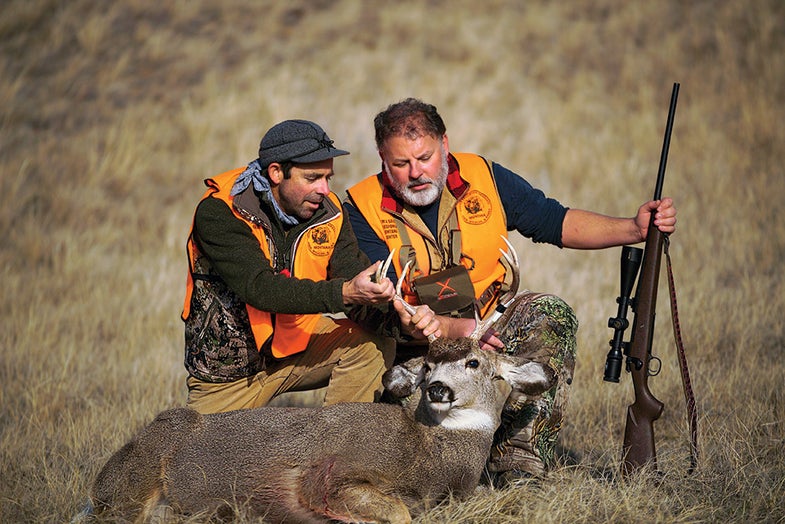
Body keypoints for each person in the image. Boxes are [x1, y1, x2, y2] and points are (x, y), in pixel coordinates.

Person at [344, 98, 677, 483]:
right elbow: (368, 305)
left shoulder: (483, 177)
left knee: (550, 313)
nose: (416, 172)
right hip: (415, 346)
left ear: (445, 144)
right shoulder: (360, 208)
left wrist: (634, 229)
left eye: (425, 157)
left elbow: (553, 221)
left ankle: (517, 459)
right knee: (406, 461)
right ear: (382, 159)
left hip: (491, 324)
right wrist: (441, 327)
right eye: (401, 164)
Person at [181, 119, 437, 415]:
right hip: (228, 377)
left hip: (296, 350)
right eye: (313, 178)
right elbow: (261, 288)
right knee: (197, 460)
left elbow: (357, 284)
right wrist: (345, 293)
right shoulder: (219, 212)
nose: (324, 190)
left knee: (372, 345)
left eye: (328, 177)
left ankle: (336, 449)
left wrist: (401, 320)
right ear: (276, 172)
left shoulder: (329, 213)